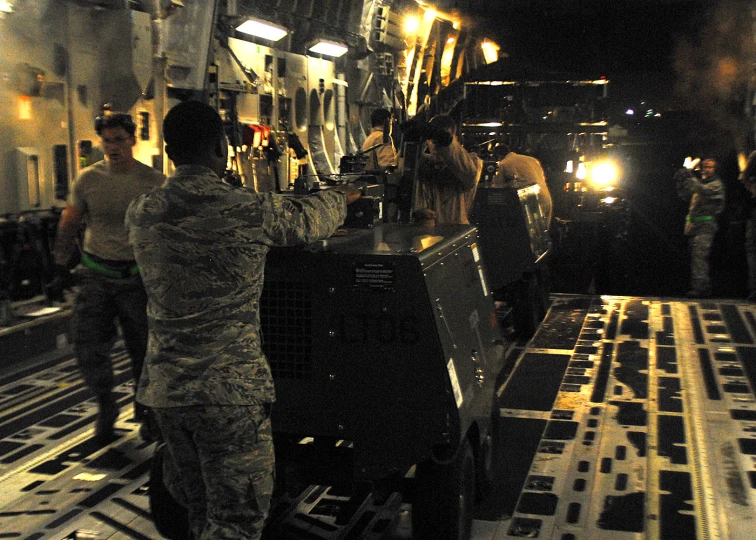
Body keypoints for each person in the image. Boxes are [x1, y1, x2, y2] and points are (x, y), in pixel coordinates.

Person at [125, 100, 360, 539]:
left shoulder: (141, 211)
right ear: (221, 145)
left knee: (199, 511)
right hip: (227, 392)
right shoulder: (248, 210)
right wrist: (340, 197)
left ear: (170, 150)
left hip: (166, 389)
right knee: (236, 522)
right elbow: (309, 220)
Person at [52, 111, 165, 443]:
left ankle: (146, 413)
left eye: (119, 140)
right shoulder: (87, 180)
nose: (112, 147)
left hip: (136, 278)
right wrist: (60, 263)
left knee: (144, 351)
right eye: (107, 140)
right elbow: (70, 221)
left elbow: (165, 229)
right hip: (97, 275)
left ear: (132, 140)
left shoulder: (153, 183)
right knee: (87, 346)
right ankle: (106, 405)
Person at [413, 114, 482, 224]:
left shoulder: (470, 163)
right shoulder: (423, 165)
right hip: (427, 235)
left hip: (456, 232)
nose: (436, 146)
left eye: (441, 141)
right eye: (433, 141)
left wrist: (446, 141)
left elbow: (470, 173)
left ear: (455, 139)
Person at [676, 157, 725, 298]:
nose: (707, 169)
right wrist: (683, 175)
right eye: (705, 167)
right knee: (697, 257)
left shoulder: (716, 185)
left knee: (699, 255)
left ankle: (700, 289)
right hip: (694, 226)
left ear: (714, 170)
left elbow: (701, 189)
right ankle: (703, 287)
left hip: (706, 225)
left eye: (711, 167)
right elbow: (684, 193)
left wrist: (689, 173)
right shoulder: (700, 184)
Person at [494, 144, 553, 228]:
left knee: (530, 233)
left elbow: (498, 187)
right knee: (543, 232)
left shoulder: (504, 163)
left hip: (530, 201)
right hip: (545, 197)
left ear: (498, 156)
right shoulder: (532, 159)